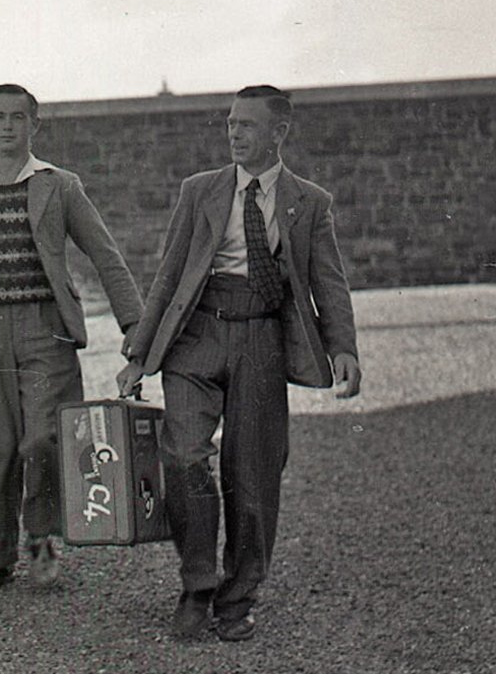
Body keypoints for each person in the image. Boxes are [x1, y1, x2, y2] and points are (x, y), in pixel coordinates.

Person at [117, 85, 361, 643]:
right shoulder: (199, 191)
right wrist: (139, 354)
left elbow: (329, 281)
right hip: (196, 337)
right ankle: (197, 583)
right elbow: (168, 275)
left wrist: (342, 347)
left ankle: (238, 595)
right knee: (182, 457)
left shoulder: (309, 203)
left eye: (247, 125)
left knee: (253, 476)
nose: (234, 132)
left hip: (262, 340)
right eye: (230, 123)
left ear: (279, 133)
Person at [0, 83, 143, 595]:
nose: (7, 127)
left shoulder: (60, 185)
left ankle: (43, 538)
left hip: (45, 327)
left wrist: (135, 327)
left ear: (34, 126)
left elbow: (105, 254)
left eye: (17, 118)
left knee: (43, 438)